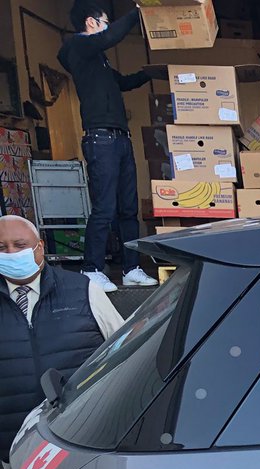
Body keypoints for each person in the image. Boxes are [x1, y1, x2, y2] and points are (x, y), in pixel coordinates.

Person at [0, 215, 124, 461]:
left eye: (19, 245)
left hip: (83, 437)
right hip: (11, 447)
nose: (11, 253)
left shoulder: (84, 290)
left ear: (40, 247)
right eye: (2, 248)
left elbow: (123, 349)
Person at [58, 5, 161, 293]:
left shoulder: (98, 61)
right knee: (105, 207)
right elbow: (108, 38)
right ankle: (91, 269)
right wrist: (137, 12)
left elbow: (124, 83)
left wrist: (152, 73)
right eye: (105, 22)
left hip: (120, 138)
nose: (108, 27)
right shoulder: (78, 47)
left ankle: (131, 268)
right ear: (91, 22)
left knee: (129, 209)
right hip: (100, 139)